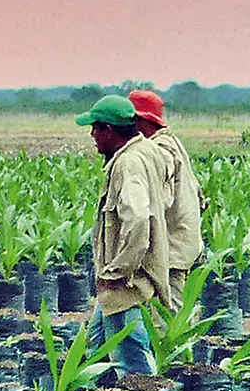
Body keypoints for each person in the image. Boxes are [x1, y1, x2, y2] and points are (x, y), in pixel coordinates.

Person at [77, 94, 173, 376]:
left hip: (127, 282)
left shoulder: (128, 164)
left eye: (95, 128)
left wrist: (118, 271)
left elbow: (138, 219)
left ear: (108, 130)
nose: (92, 135)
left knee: (132, 359)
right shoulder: (147, 151)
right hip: (122, 279)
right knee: (96, 346)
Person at [129, 90, 206, 295]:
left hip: (173, 249)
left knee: (169, 311)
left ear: (141, 121)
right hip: (180, 243)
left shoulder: (161, 150)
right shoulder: (171, 143)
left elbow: (161, 200)